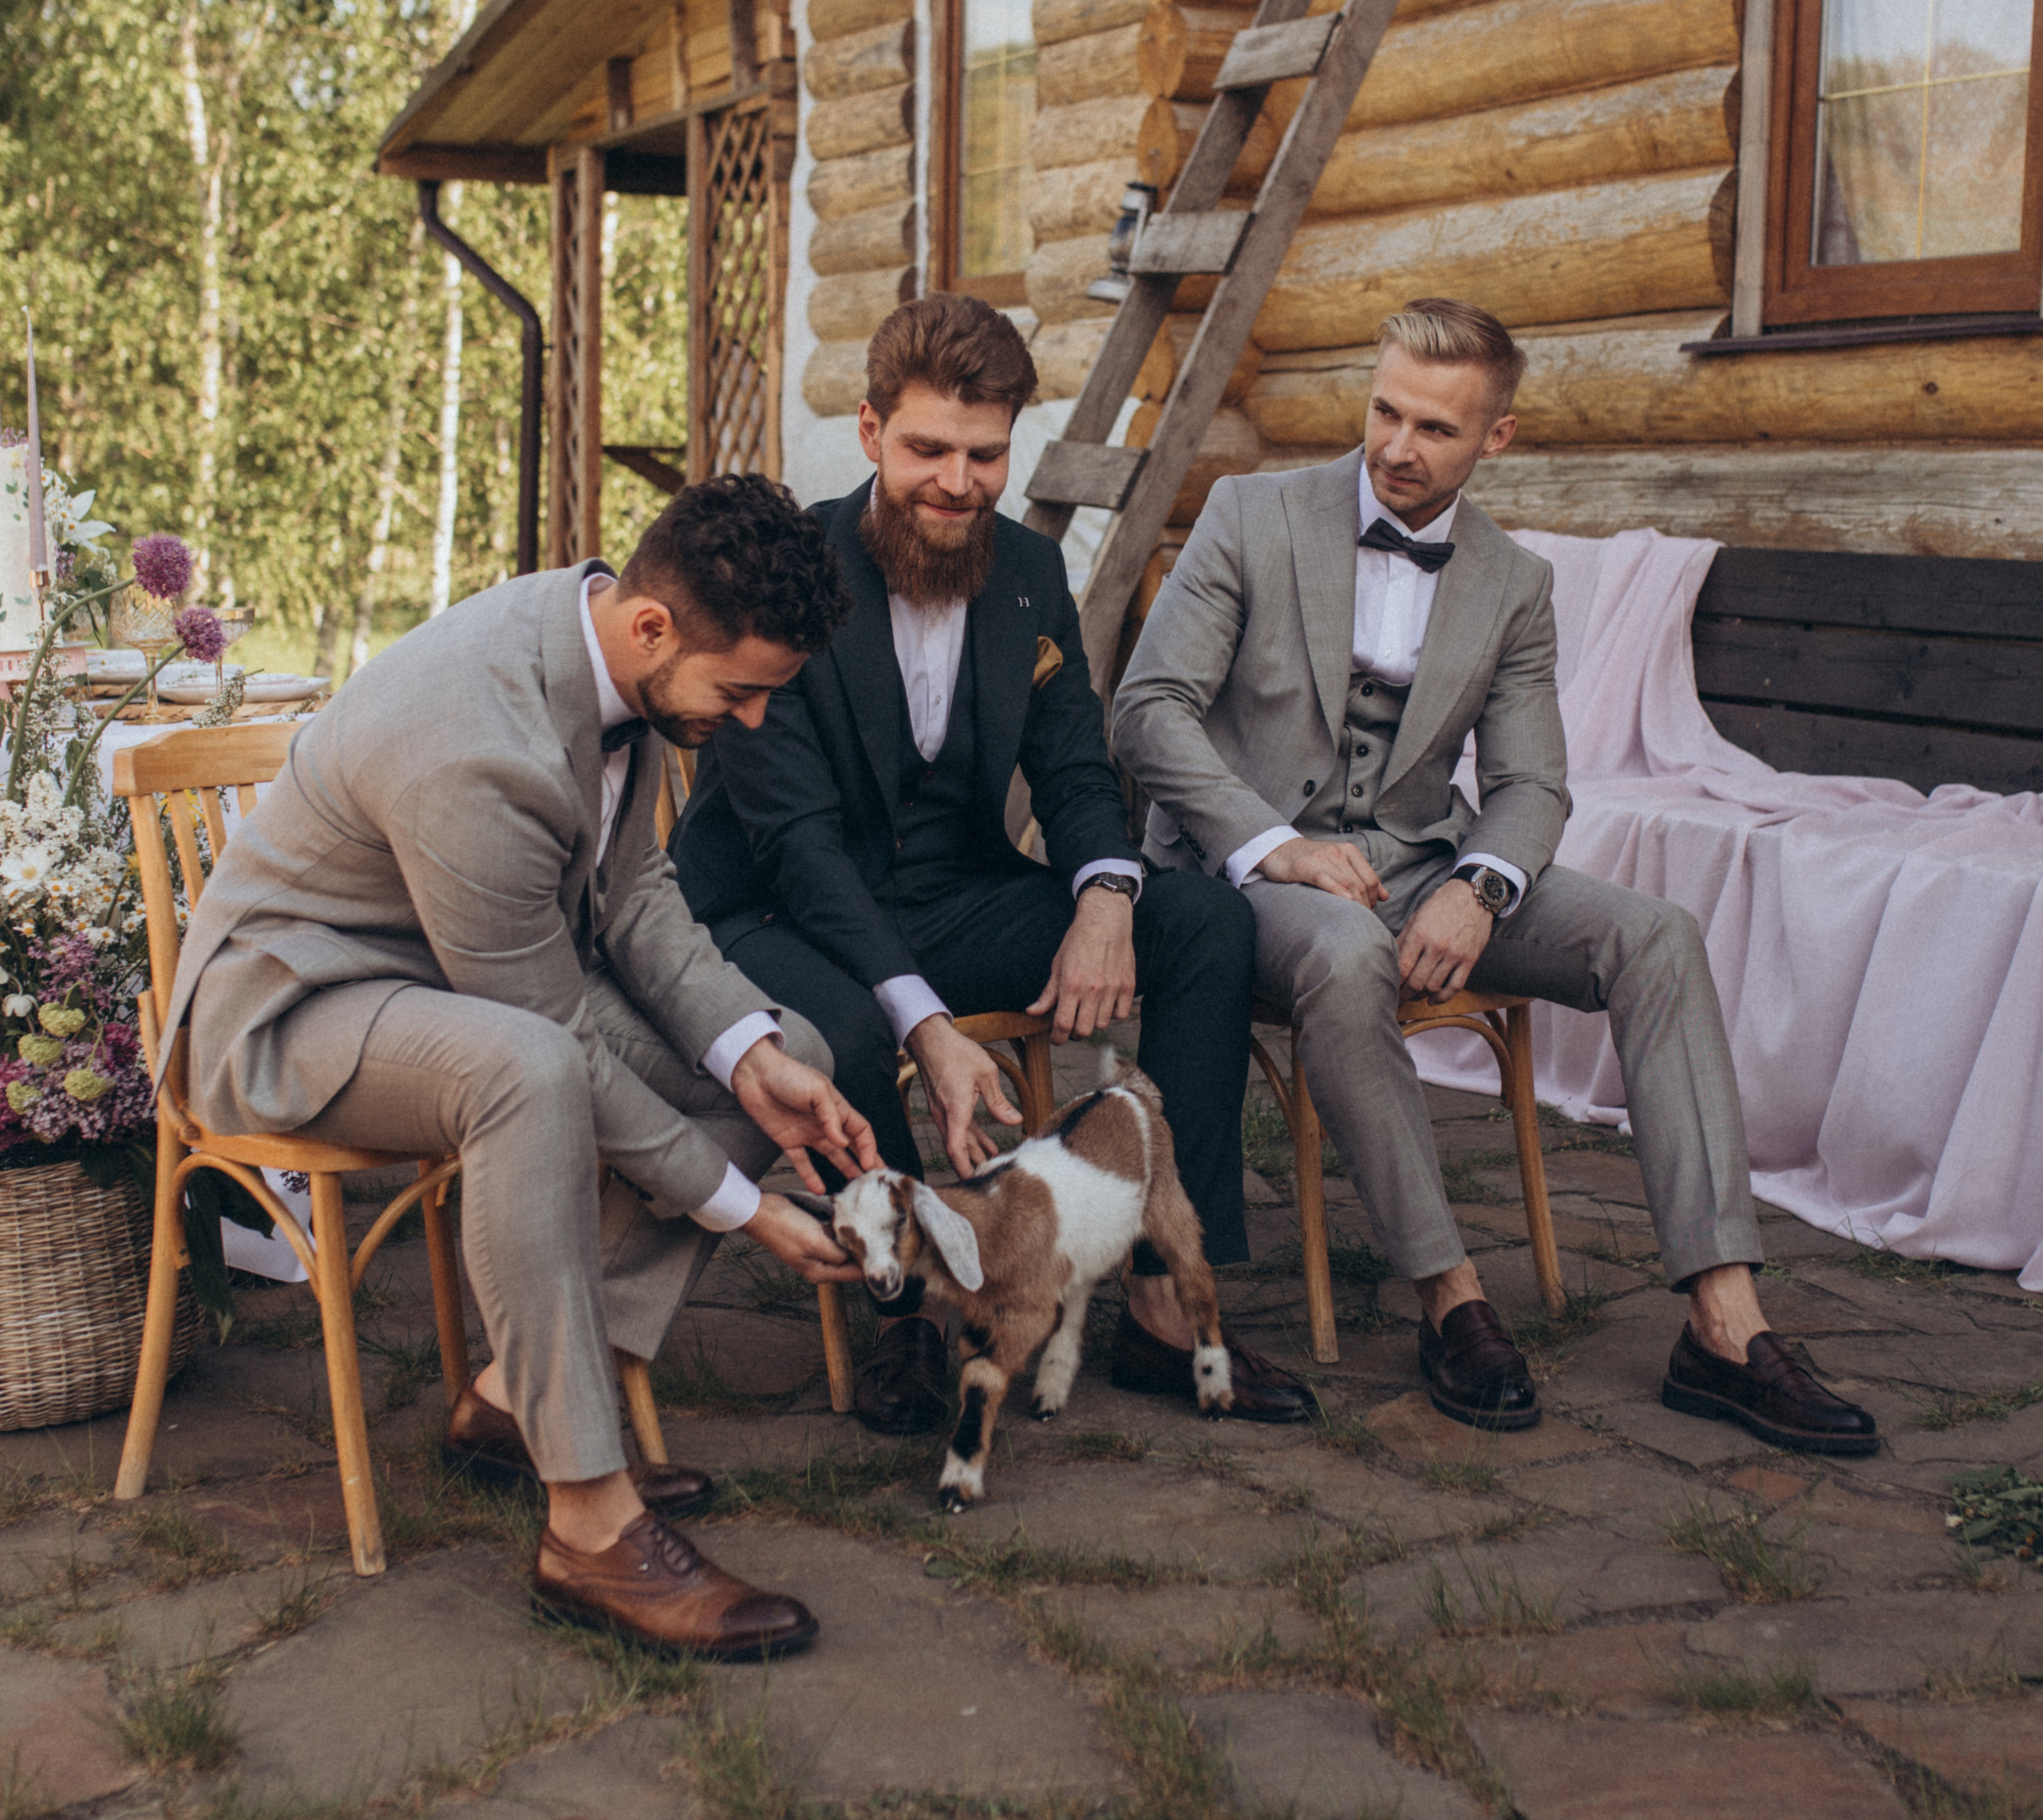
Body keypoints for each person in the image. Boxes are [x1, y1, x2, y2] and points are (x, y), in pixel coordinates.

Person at [1112, 296, 1877, 1459]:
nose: (1397, 447)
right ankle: (1451, 1296)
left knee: (1658, 934)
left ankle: (1724, 1326)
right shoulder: (1249, 513)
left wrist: (1484, 887)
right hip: (1251, 873)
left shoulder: (1515, 583)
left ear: (1496, 439)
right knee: (1348, 951)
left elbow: (1533, 786)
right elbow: (1149, 710)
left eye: (1434, 429)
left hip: (1422, 863)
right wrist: (1276, 846)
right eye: (1384, 413)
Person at [162, 476, 880, 1658]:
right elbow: (547, 1032)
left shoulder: (611, 650)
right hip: (292, 1008)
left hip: (455, 981)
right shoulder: (473, 741)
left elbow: (637, 892)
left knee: (787, 1046)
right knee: (531, 1074)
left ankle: (518, 1401)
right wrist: (746, 1207)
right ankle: (588, 1524)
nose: (753, 720)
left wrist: (752, 1054)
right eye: (741, 691)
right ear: (653, 628)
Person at [672, 292, 1309, 1433]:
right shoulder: (790, 571)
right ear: (870, 434)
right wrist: (929, 1024)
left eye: (984, 455)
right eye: (926, 450)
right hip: (778, 909)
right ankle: (909, 1314)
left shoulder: (1025, 570)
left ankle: (1166, 1307)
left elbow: (1072, 770)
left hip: (954, 892)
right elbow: (800, 845)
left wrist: (1108, 896)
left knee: (1204, 922)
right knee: (853, 1030)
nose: (957, 484)